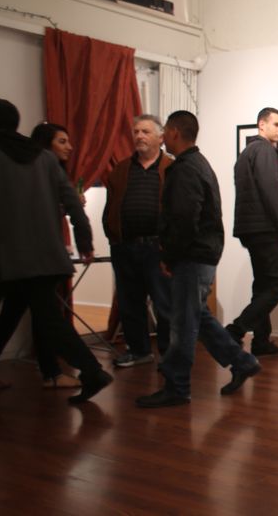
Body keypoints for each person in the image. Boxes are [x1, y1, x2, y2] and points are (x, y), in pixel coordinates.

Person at [0, 98, 113, 402]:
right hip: (48, 256)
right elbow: (73, 204)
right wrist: (85, 243)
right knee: (17, 312)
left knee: (45, 318)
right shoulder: (44, 158)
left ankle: (92, 372)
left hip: (10, 258)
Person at [136, 110, 261, 408]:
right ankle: (242, 362)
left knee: (182, 324)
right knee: (198, 317)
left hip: (192, 256)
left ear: (175, 133)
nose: (163, 137)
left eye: (165, 131)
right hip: (200, 253)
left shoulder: (185, 169)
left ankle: (177, 387)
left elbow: (183, 219)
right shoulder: (197, 164)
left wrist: (169, 255)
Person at [0, 123, 84, 389]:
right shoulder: (35, 166)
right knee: (41, 314)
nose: (69, 147)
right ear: (46, 145)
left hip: (18, 257)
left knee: (15, 312)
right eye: (62, 141)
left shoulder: (38, 167)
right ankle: (56, 372)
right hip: (24, 257)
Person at [103, 114, 173, 367]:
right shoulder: (121, 169)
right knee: (129, 302)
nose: (139, 136)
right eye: (136, 132)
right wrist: (113, 236)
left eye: (145, 131)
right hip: (126, 246)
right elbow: (111, 206)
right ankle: (139, 350)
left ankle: (169, 354)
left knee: (165, 304)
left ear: (161, 138)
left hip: (158, 247)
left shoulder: (171, 168)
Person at [227, 107, 278, 357]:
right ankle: (236, 329)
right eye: (276, 124)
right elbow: (271, 192)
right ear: (261, 125)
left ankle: (261, 341)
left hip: (250, 229)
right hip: (265, 229)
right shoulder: (264, 151)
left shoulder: (247, 152)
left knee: (263, 285)